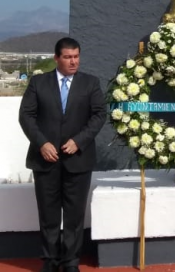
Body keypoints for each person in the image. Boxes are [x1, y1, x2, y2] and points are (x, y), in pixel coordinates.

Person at [18, 37, 106, 272]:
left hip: (78, 160)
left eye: (76, 56)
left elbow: (99, 115)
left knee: (74, 215)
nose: (73, 61)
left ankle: (70, 262)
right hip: (45, 160)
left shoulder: (91, 83)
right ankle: (50, 260)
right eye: (67, 57)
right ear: (56, 58)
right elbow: (26, 116)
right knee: (48, 214)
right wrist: (42, 143)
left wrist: (79, 141)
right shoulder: (38, 83)